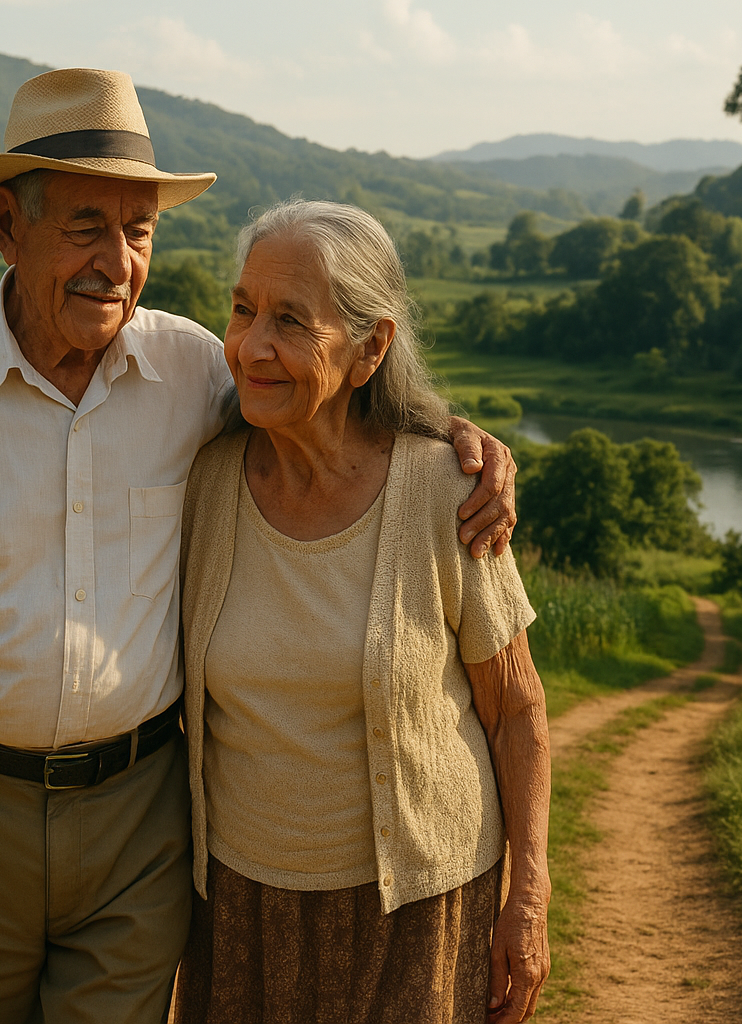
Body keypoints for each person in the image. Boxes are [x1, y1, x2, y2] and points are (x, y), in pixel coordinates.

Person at [0, 69, 517, 1023]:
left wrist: (453, 437)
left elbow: (325, 397)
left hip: (139, 815)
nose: (116, 262)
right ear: (8, 226)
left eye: (139, 231)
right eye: (85, 227)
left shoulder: (196, 372)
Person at [172, 200, 550, 1024]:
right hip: (238, 908)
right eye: (242, 309)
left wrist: (529, 894)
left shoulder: (448, 492)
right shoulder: (202, 482)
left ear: (371, 348)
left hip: (419, 906)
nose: (252, 346)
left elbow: (516, 708)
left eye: (290, 320)